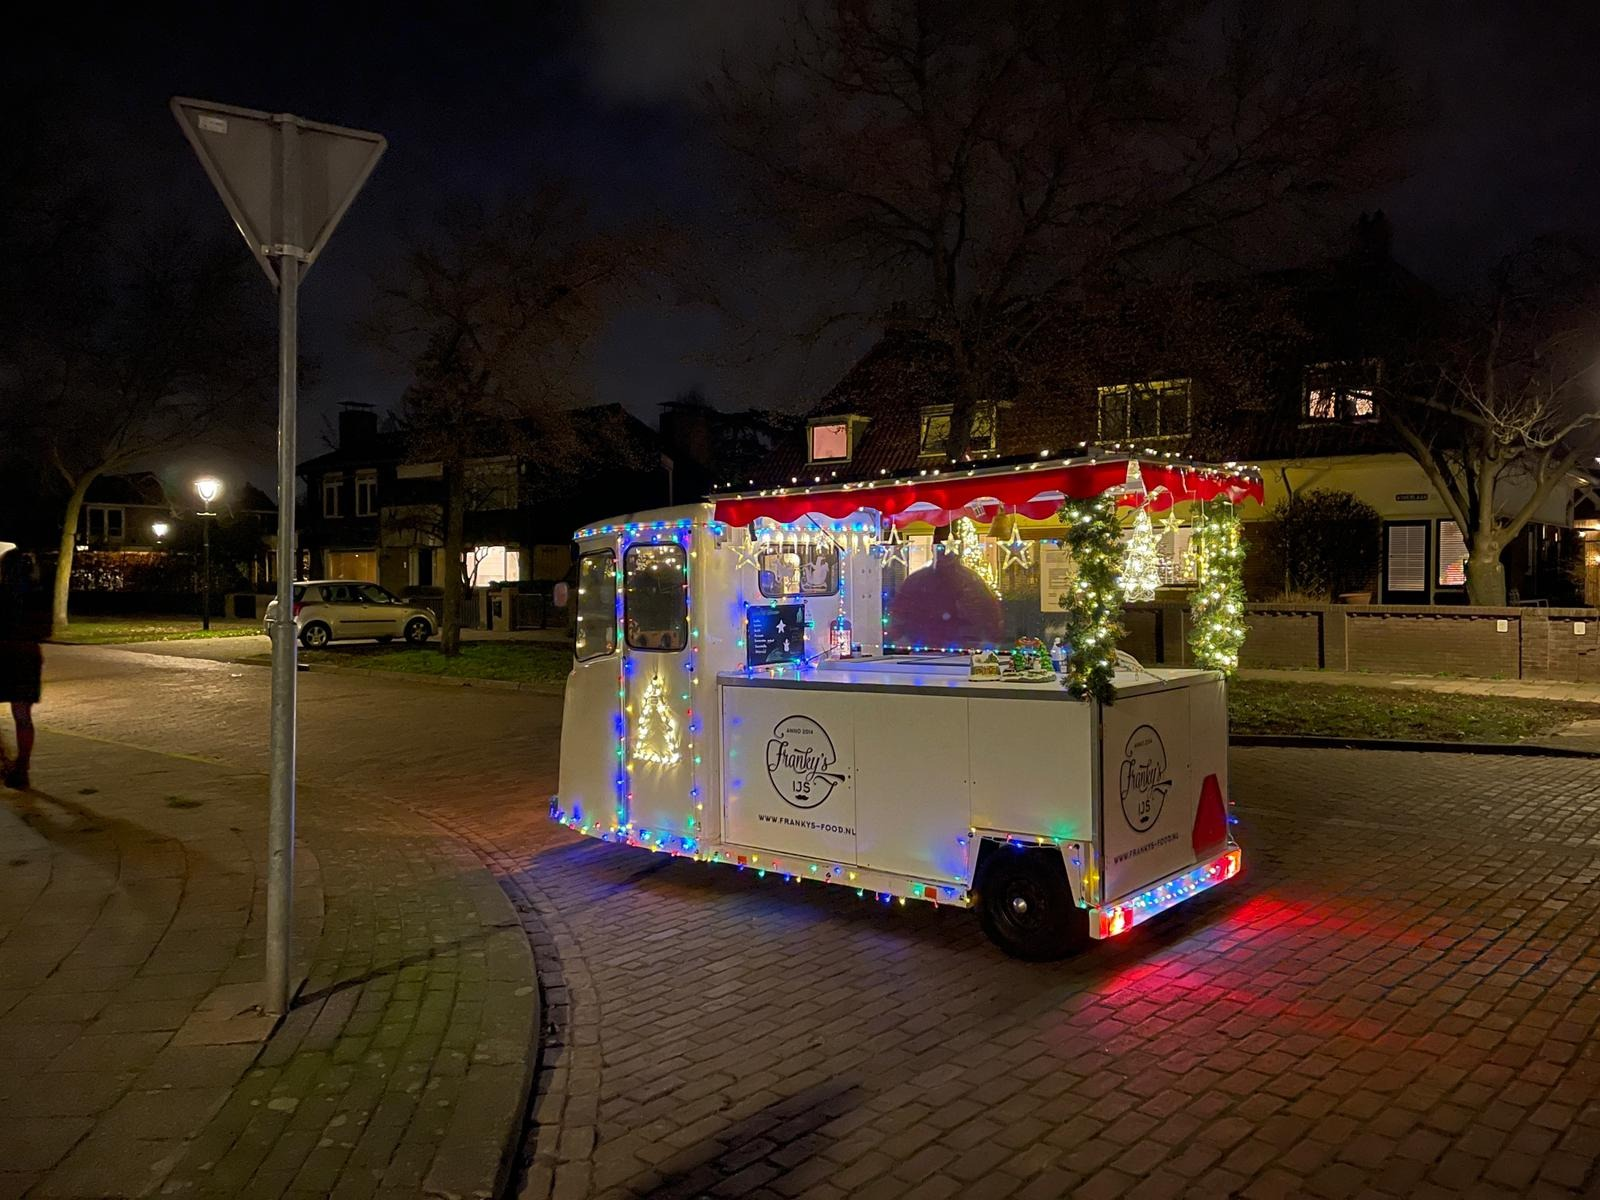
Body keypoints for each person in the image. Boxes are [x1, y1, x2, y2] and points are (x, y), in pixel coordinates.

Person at [0, 550, 45, 790]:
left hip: (3, 654)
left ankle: (5, 760)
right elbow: (45, 629)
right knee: (23, 717)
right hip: (28, 656)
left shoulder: (2, 594)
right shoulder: (37, 596)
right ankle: (22, 767)